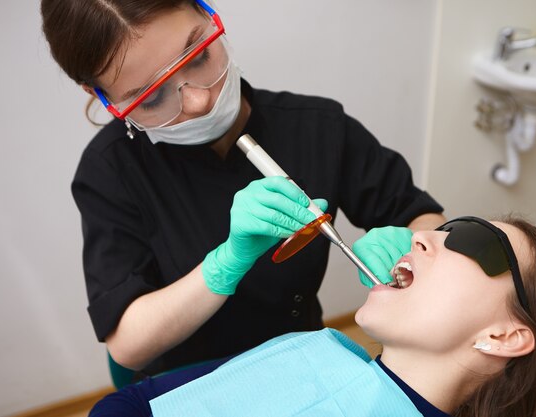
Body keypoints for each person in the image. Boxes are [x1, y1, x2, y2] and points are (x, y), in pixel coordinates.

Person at [40, 0, 445, 379]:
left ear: (208, 13)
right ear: (101, 97)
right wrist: (225, 264)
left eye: (197, 56)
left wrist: (411, 243)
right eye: (152, 97)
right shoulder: (110, 171)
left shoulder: (318, 127)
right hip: (192, 385)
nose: (198, 101)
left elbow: (424, 217)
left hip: (303, 361)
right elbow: (127, 344)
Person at [89, 216, 536, 416]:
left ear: (504, 335)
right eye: (447, 225)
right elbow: (133, 404)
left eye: (474, 241)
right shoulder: (313, 346)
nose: (420, 235)